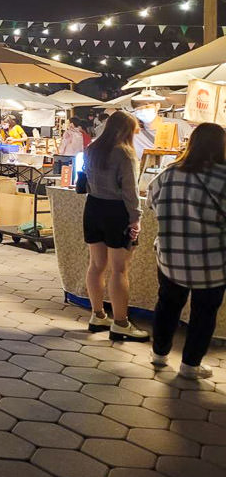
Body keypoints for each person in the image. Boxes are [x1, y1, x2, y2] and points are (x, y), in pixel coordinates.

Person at [147, 123, 226, 379]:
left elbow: (151, 203)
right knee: (204, 312)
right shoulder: (223, 177)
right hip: (212, 261)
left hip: (170, 256)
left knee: (168, 304)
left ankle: (159, 354)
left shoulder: (168, 173)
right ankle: (190, 365)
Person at [81, 110, 148, 342]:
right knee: (119, 269)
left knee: (96, 265)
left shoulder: (92, 149)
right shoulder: (125, 153)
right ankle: (121, 322)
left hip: (93, 207)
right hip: (116, 211)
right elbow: (130, 192)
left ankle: (97, 315)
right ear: (126, 131)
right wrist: (135, 217)